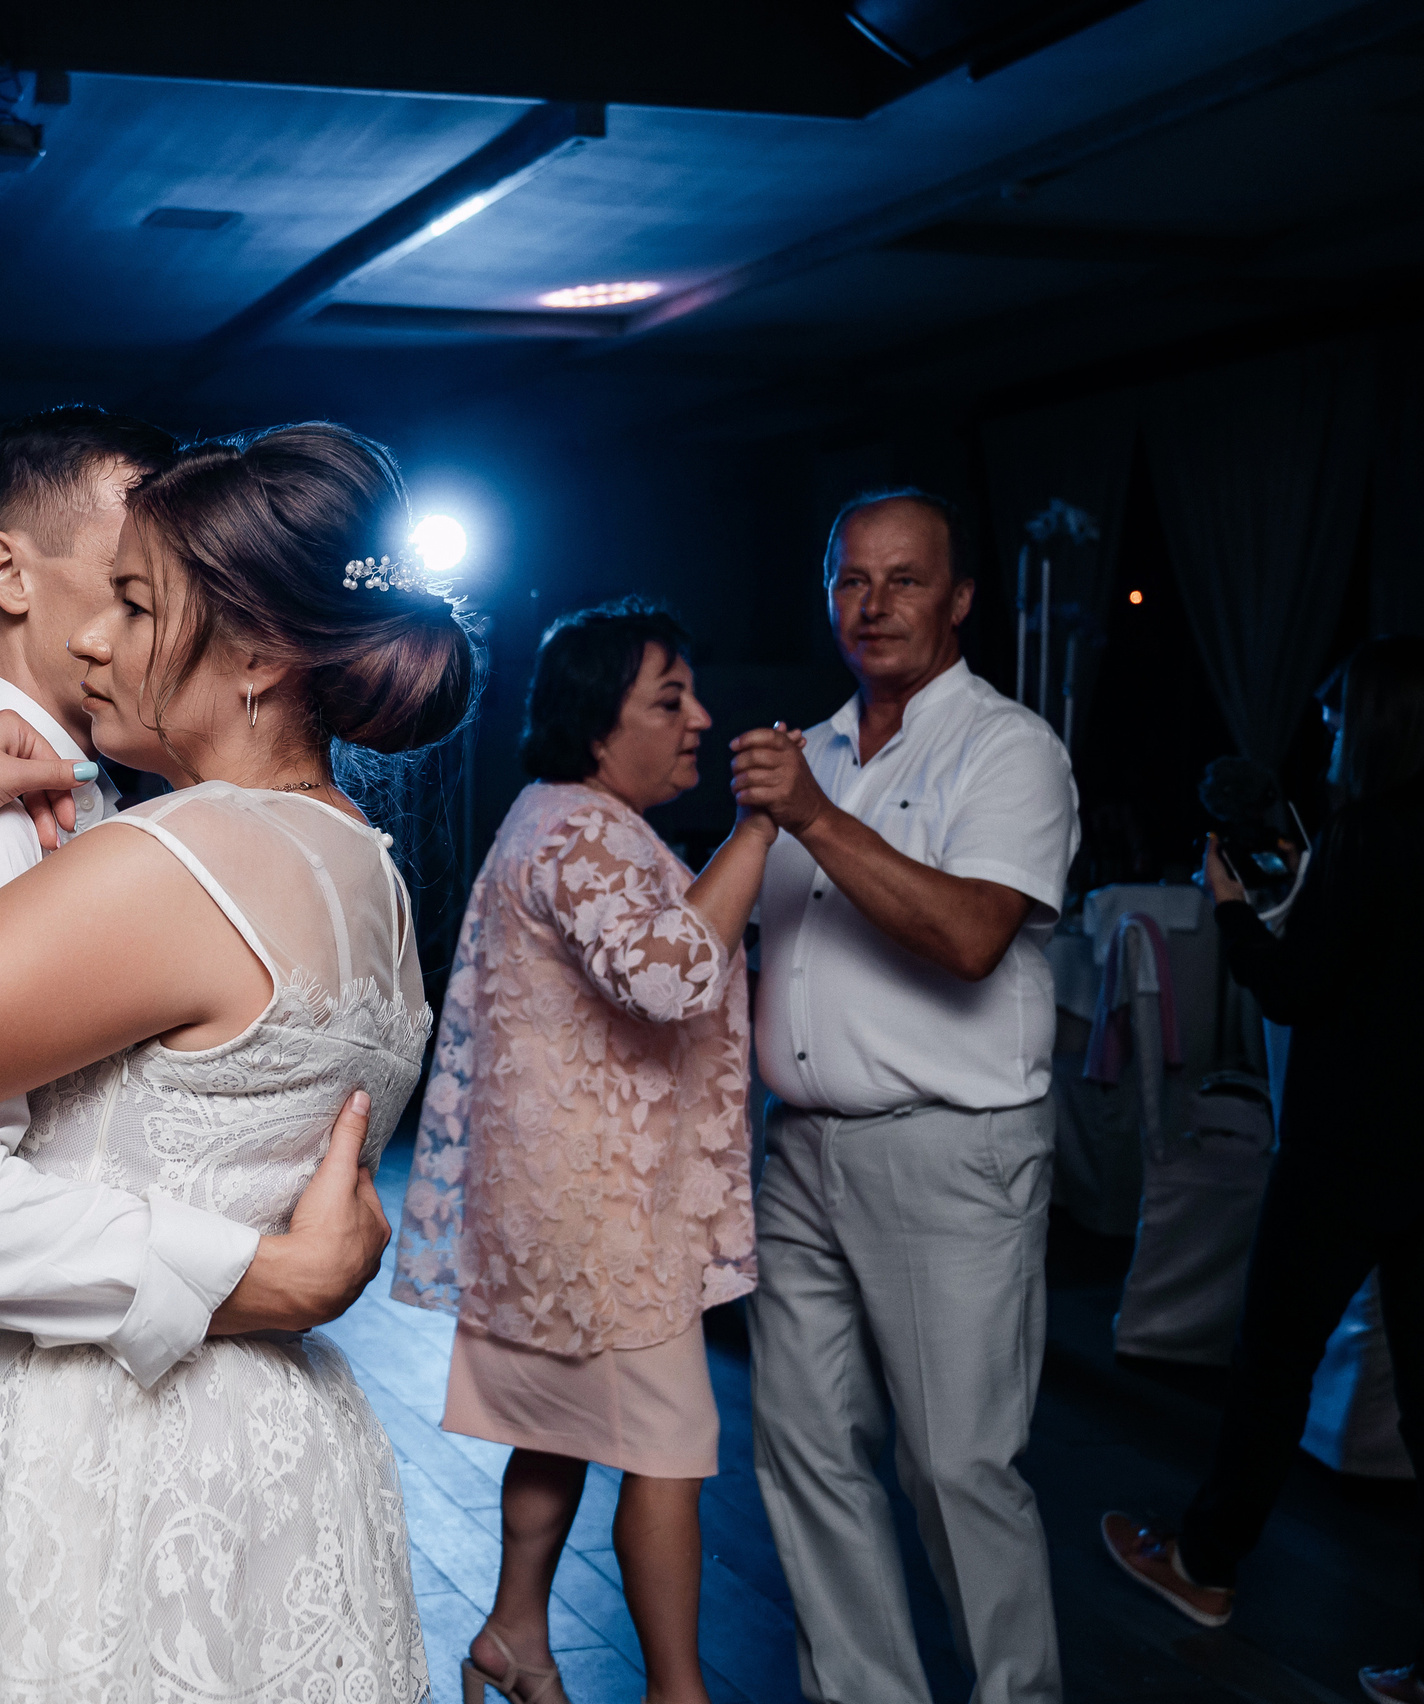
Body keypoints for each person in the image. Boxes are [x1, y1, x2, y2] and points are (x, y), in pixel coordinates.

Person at [0, 420, 481, 1700]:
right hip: (274, 1462)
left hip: (101, 1468)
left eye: (135, 606)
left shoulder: (171, 862)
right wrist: (272, 1277)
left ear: (255, 654)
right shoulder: (370, 871)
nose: (92, 642)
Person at [728, 487, 1077, 1704]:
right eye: (850, 582)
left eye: (904, 580)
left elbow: (975, 933)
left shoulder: (1007, 748)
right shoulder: (809, 750)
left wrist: (812, 821)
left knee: (958, 1466)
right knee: (806, 1454)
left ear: (960, 599)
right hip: (800, 1152)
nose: (872, 607)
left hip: (949, 1151)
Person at [395, 597, 775, 1704]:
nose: (700, 718)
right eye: (670, 699)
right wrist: (760, 828)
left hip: (555, 1202)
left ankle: (513, 1634)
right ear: (597, 724)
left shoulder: (559, 815)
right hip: (599, 1225)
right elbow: (667, 979)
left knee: (551, 1426)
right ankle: (676, 1693)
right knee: (667, 1449)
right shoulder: (576, 829)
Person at [1102, 634, 1424, 1704]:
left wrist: (1230, 906)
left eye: (1336, 719)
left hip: (1345, 1155)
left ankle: (1201, 1569)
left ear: (1373, 724)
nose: (1326, 733)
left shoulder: (1370, 834)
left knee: (1271, 1363)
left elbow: (1292, 988)